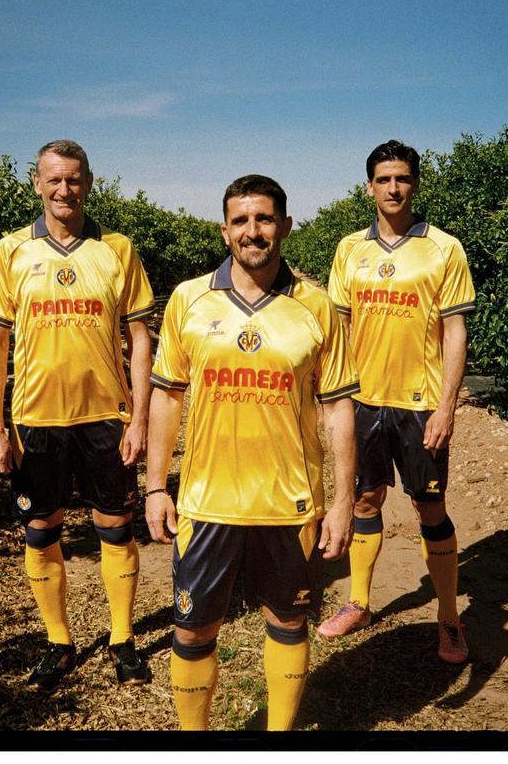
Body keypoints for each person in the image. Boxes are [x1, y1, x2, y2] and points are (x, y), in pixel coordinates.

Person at [145, 174, 359, 730]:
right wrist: (155, 486)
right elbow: (167, 396)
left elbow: (338, 407)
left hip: (289, 501)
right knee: (193, 628)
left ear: (285, 226)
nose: (252, 231)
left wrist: (342, 502)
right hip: (206, 500)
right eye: (240, 221)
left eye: (264, 219)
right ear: (224, 231)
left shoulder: (318, 306)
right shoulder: (189, 300)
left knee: (288, 622)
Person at [0, 139, 154, 691]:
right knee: (40, 530)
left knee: (115, 527)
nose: (64, 189)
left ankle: (122, 639)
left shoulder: (117, 249)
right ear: (37, 183)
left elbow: (141, 338)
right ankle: (59, 642)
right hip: (35, 418)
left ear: (89, 183)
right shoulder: (10, 251)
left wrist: (141, 419)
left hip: (105, 416)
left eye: (73, 179)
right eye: (53, 179)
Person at [316, 140, 476, 666]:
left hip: (419, 403)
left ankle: (449, 618)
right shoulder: (349, 249)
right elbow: (339, 327)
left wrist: (447, 406)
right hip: (362, 400)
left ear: (415, 184)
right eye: (383, 179)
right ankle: (359, 602)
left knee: (430, 506)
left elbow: (455, 330)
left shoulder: (443, 248)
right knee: (365, 500)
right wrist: (333, 397)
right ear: (369, 188)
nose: (393, 188)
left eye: (402, 178)